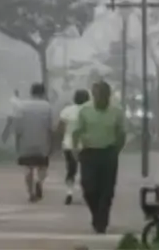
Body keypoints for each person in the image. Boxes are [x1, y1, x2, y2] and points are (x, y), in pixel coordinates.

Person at [71, 81, 126, 234]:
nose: (100, 99)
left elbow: (121, 133)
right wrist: (75, 149)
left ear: (108, 96)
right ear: (93, 96)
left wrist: (116, 150)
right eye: (97, 96)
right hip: (89, 153)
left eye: (103, 96)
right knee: (89, 188)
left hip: (108, 153)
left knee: (106, 190)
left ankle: (102, 221)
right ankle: (96, 214)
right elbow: (76, 132)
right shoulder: (85, 110)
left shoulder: (116, 111)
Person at [14, 83, 54, 202]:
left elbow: (18, 127)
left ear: (31, 92)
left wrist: (18, 141)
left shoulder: (22, 106)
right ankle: (39, 181)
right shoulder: (47, 107)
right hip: (42, 141)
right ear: (43, 93)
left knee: (28, 168)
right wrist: (51, 143)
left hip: (26, 141)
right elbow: (50, 127)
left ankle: (31, 192)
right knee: (43, 166)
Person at [58, 88, 91, 205]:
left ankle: (69, 192)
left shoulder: (67, 111)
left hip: (69, 144)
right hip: (87, 145)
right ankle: (86, 192)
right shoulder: (91, 111)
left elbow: (60, 128)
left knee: (71, 169)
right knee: (87, 170)